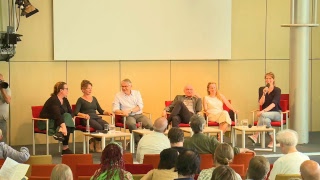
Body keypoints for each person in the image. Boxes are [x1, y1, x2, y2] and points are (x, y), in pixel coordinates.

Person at [74, 80, 113, 153]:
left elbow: (100, 110)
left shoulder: (94, 98)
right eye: (88, 88)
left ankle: (93, 140)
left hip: (96, 117)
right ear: (83, 89)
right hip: (87, 119)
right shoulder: (80, 100)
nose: (90, 90)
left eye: (91, 88)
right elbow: (76, 112)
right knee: (99, 127)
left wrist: (107, 112)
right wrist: (83, 115)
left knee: (107, 126)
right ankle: (98, 144)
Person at [183, 115, 254, 155]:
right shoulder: (211, 141)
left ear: (191, 127)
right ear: (203, 126)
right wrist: (243, 149)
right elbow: (226, 150)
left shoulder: (185, 143)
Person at [112, 79, 153, 144]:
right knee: (131, 124)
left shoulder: (137, 93)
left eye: (126, 86)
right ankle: (138, 142)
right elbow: (115, 109)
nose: (124, 88)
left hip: (138, 114)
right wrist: (123, 112)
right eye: (122, 86)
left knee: (150, 125)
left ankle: (149, 142)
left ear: (131, 86)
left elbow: (140, 106)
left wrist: (130, 111)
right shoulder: (118, 95)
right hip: (127, 116)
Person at [39, 81, 75, 155]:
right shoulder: (53, 100)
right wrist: (63, 127)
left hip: (59, 121)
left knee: (67, 116)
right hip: (47, 122)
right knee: (66, 118)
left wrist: (69, 119)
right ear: (61, 90)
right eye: (66, 89)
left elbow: (71, 112)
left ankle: (60, 132)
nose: (68, 91)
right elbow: (57, 114)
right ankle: (65, 148)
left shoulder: (65, 100)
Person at [248, 72, 282, 148]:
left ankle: (255, 135)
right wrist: (264, 94)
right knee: (266, 121)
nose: (268, 80)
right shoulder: (261, 89)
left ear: (273, 80)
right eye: (266, 78)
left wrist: (263, 111)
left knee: (263, 115)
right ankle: (273, 140)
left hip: (276, 113)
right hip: (265, 115)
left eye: (270, 78)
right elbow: (260, 103)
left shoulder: (277, 90)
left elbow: (274, 104)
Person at [0, 73, 11, 143]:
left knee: (3, 141)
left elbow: (8, 101)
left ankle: (3, 154)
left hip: (2, 118)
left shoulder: (6, 89)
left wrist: (2, 89)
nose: (1, 82)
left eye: (2, 80)